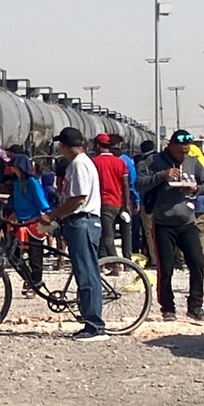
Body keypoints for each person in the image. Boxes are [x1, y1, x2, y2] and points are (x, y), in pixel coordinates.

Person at [137, 129, 204, 322]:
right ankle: (167, 307)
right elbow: (140, 183)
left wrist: (196, 189)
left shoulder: (193, 162)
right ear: (170, 146)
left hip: (187, 222)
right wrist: (162, 176)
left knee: (197, 262)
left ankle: (195, 305)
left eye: (186, 151)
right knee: (166, 268)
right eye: (180, 151)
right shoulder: (153, 162)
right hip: (162, 223)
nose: (184, 155)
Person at [44, 127, 106, 340]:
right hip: (79, 223)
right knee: (83, 272)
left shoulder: (80, 164)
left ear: (63, 146)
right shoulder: (79, 164)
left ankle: (95, 326)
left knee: (87, 273)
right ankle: (90, 320)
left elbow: (78, 198)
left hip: (83, 222)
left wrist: (52, 216)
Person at [92, 133, 130, 261]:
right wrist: (126, 204)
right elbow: (125, 184)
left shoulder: (94, 162)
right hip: (116, 202)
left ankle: (115, 264)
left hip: (103, 202)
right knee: (106, 233)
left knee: (107, 236)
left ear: (97, 145)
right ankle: (103, 260)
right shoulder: (120, 162)